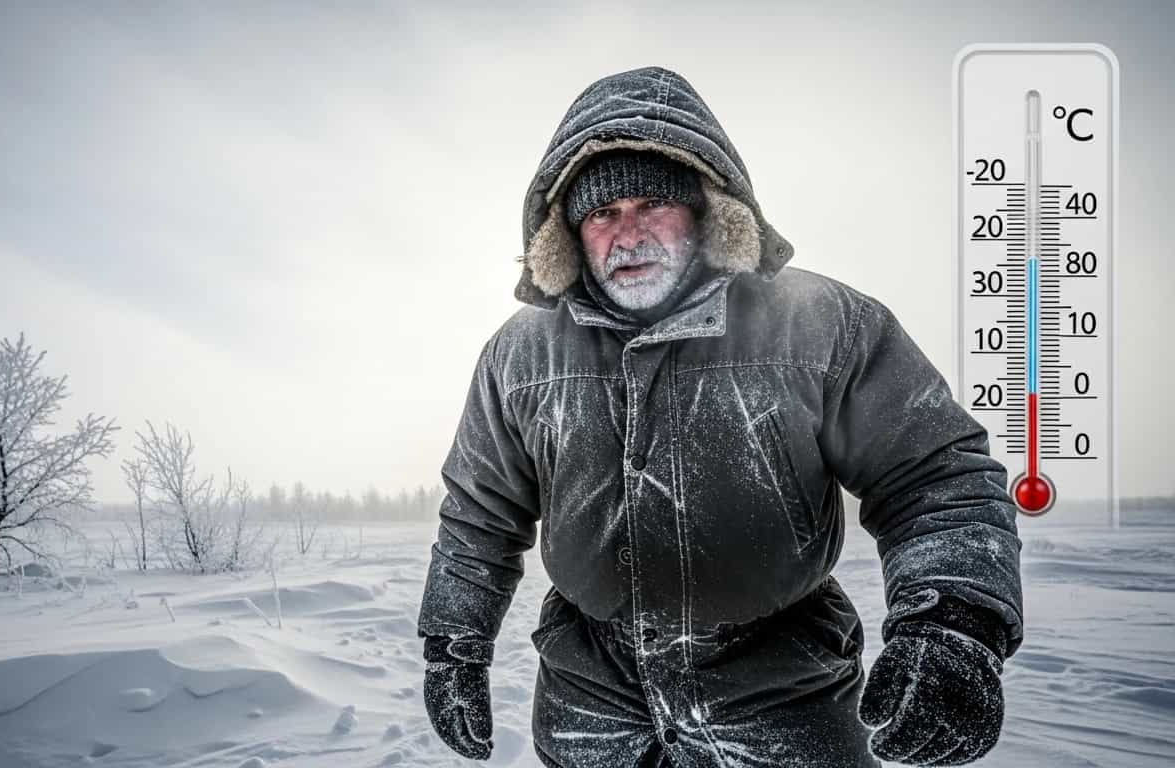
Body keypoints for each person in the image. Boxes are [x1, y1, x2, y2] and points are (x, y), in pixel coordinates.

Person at [416, 65, 1023, 767]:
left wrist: (954, 622)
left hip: (785, 697)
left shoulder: (820, 324)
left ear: (706, 209)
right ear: (569, 235)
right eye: (602, 214)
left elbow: (934, 477)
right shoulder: (519, 355)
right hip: (590, 698)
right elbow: (479, 514)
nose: (627, 234)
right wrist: (453, 644)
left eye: (652, 205)